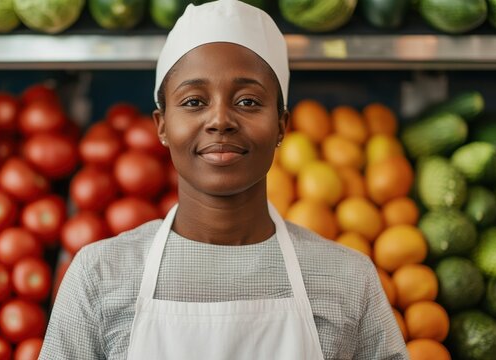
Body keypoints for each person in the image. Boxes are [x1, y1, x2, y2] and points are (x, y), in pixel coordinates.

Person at [39, 0, 408, 359]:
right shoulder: (99, 276)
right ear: (162, 126)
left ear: (281, 126)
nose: (220, 120)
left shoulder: (348, 278)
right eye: (194, 102)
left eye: (248, 101)